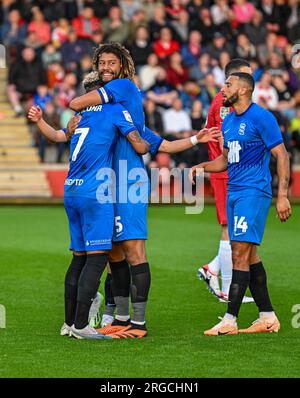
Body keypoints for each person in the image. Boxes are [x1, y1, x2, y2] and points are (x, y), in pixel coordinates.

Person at [69, 43, 220, 338]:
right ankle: (122, 318)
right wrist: (194, 139)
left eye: (112, 62)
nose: (106, 67)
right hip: (107, 185)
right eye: (101, 63)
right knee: (114, 253)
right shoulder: (123, 119)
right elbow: (162, 144)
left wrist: (195, 140)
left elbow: (76, 103)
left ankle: (138, 323)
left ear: (123, 67)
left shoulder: (124, 86)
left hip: (129, 182)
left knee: (134, 250)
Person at [27, 71, 149, 340]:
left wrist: (39, 121)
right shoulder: (114, 110)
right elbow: (139, 147)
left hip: (71, 190)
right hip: (97, 193)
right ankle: (83, 325)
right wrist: (142, 140)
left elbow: (58, 137)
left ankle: (69, 323)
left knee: (78, 259)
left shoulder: (80, 118)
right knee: (98, 259)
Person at [190, 72, 291, 335]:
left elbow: (281, 154)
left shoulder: (261, 117)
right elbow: (225, 160)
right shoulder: (229, 121)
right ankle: (267, 317)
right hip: (234, 193)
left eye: (228, 85)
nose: (222, 89)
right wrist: (202, 166)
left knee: (238, 255)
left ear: (244, 90)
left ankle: (230, 320)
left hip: (253, 192)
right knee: (250, 255)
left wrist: (282, 195)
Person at [197, 59, 254, 304]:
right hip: (227, 171)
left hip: (229, 170)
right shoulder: (228, 100)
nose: (252, 80)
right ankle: (229, 292)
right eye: (248, 75)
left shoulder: (219, 100)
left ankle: (213, 270)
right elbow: (224, 137)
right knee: (230, 228)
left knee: (236, 228)